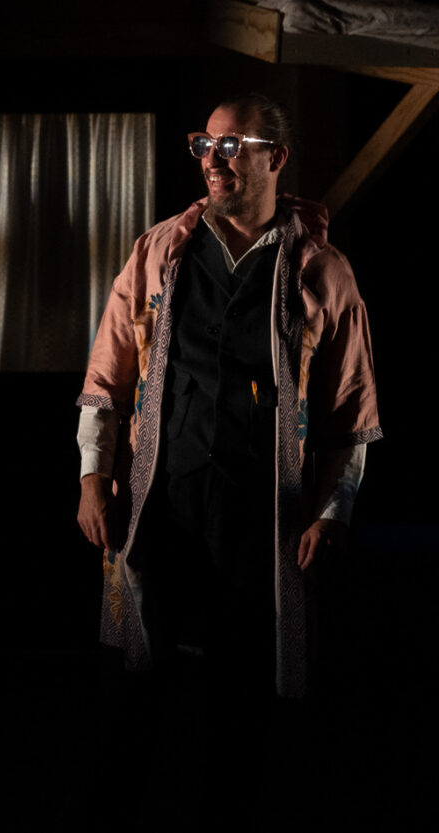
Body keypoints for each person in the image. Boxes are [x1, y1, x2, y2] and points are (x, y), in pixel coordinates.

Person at [75, 94, 381, 821]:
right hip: (164, 497)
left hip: (260, 514)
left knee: (241, 692)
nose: (214, 160)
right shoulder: (160, 252)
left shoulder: (320, 271)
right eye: (205, 145)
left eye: (234, 146)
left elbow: (351, 410)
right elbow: (107, 375)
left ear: (277, 157)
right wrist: (92, 476)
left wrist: (333, 510)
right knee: (135, 685)